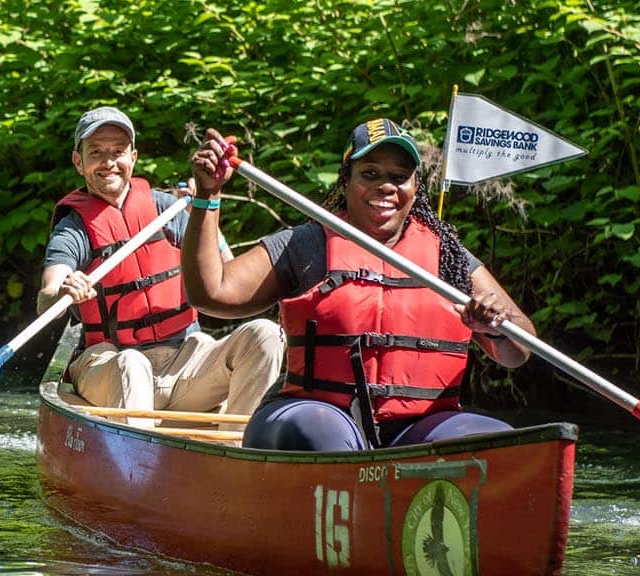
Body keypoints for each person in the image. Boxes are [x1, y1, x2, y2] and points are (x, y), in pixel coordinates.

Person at [181, 118, 535, 452]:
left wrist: (498, 327)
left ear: (415, 188)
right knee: (321, 433)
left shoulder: (449, 259)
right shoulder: (306, 245)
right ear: (346, 180)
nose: (386, 186)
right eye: (370, 173)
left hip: (418, 427)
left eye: (399, 177)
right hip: (311, 415)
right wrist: (207, 198)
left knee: (496, 441)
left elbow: (521, 348)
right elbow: (212, 293)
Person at [38, 107, 284, 421]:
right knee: (132, 364)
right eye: (96, 152)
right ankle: (141, 461)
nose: (109, 162)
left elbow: (226, 273)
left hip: (184, 359)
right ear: (79, 161)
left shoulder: (168, 209)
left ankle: (235, 450)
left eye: (118, 152)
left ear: (133, 157)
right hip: (108, 364)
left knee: (265, 335)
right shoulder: (74, 228)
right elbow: (47, 294)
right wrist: (63, 290)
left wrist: (203, 209)